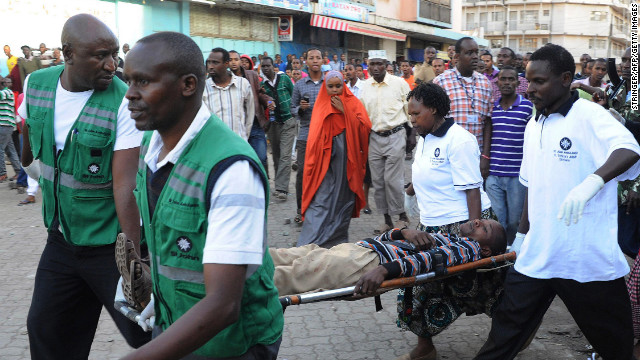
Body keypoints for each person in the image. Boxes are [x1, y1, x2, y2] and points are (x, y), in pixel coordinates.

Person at [121, 31, 283, 359]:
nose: (129, 95)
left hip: (233, 345)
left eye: (143, 82)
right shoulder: (150, 150)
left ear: (188, 85)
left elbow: (223, 305)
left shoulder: (231, 168)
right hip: (179, 327)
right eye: (128, 81)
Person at [475, 43, 640, 360]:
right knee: (502, 338)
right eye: (529, 80)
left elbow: (629, 149)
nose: (530, 88)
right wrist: (522, 236)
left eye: (539, 82)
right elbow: (531, 186)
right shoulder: (534, 124)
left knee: (616, 349)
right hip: (538, 255)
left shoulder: (590, 115)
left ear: (566, 79)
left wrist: (593, 182)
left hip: (586, 260)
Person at [21, 14, 150, 358]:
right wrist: (25, 161)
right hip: (61, 241)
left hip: (110, 247)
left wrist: (134, 262)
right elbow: (27, 126)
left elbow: (125, 187)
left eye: (114, 55)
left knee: (146, 332)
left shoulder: (125, 103)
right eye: (100, 56)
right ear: (68, 54)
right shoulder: (37, 83)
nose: (112, 65)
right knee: (47, 330)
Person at [399, 82, 496, 360]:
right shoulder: (425, 136)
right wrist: (411, 191)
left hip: (465, 224)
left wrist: (473, 238)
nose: (412, 119)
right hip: (432, 227)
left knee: (491, 286)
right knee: (419, 288)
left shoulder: (459, 140)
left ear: (434, 109)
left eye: (416, 114)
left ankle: (515, 335)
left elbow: (472, 190)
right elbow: (426, 170)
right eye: (410, 114)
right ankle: (425, 347)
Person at [275, 219, 506, 296]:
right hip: (359, 250)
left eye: (484, 228)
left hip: (364, 263)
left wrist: (384, 270)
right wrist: (404, 231)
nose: (477, 221)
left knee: (293, 274)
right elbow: (386, 237)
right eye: (480, 220)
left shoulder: (468, 249)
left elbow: (427, 262)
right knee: (286, 256)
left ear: (485, 249)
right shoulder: (447, 237)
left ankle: (244, 283)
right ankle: (242, 261)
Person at [297, 70, 371, 247]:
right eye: (331, 86)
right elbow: (315, 137)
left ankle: (336, 241)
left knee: (342, 199)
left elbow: (365, 126)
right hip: (323, 163)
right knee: (320, 199)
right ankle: (310, 243)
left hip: (346, 161)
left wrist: (345, 111)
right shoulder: (321, 105)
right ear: (325, 87)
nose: (335, 90)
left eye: (339, 86)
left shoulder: (352, 102)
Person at [360, 53, 412, 234]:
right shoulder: (364, 87)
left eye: (379, 64)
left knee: (392, 180)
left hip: (396, 134)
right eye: (372, 64)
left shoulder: (399, 84)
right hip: (374, 137)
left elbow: (409, 108)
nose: (375, 68)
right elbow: (361, 114)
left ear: (386, 65)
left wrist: (411, 134)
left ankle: (402, 216)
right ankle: (386, 219)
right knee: (378, 182)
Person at [485, 66, 533, 244]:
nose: (506, 82)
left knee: (515, 222)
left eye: (510, 79)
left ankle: (513, 256)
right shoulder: (493, 108)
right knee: (498, 222)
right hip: (493, 174)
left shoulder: (527, 107)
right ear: (497, 82)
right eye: (503, 79)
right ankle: (499, 259)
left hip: (517, 176)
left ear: (517, 82)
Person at [433, 37, 493, 169]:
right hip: (448, 156)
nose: (475, 57)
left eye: (476, 52)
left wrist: (485, 156)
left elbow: (488, 121)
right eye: (469, 53)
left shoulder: (485, 83)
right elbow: (433, 120)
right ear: (458, 56)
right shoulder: (441, 82)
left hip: (476, 155)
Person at [291, 48, 324, 224]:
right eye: (311, 58)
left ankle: (321, 210)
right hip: (305, 135)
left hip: (326, 136)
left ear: (322, 60)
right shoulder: (299, 85)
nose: (315, 60)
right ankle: (300, 209)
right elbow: (292, 109)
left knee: (325, 174)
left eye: (318, 57)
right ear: (306, 62)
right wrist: (300, 109)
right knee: (303, 172)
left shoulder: (330, 82)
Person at [229, 50, 274, 175]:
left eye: (236, 59)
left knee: (261, 157)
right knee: (240, 159)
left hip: (255, 122)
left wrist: (269, 101)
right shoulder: (225, 78)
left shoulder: (252, 75)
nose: (234, 62)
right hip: (236, 124)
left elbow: (259, 93)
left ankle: (263, 184)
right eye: (230, 60)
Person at [261, 56, 296, 201]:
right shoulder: (264, 86)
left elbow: (294, 95)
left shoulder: (285, 79)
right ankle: (279, 186)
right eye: (263, 66)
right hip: (273, 124)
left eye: (268, 66)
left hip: (288, 121)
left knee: (286, 156)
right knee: (276, 155)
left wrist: (294, 113)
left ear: (274, 66)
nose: (265, 68)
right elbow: (262, 103)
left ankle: (282, 189)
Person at [203, 47, 255, 141]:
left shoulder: (243, 84)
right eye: (209, 62)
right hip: (214, 145)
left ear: (226, 64)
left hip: (239, 145)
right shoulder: (203, 88)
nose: (210, 66)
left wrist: (244, 138)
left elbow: (250, 114)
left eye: (215, 62)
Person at [0, 78, 20, 182]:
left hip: (4, 125)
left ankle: (2, 173)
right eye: (7, 82)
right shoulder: (6, 93)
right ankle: (18, 172)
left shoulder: (6, 92)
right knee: (10, 150)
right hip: (6, 125)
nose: (9, 84)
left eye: (9, 82)